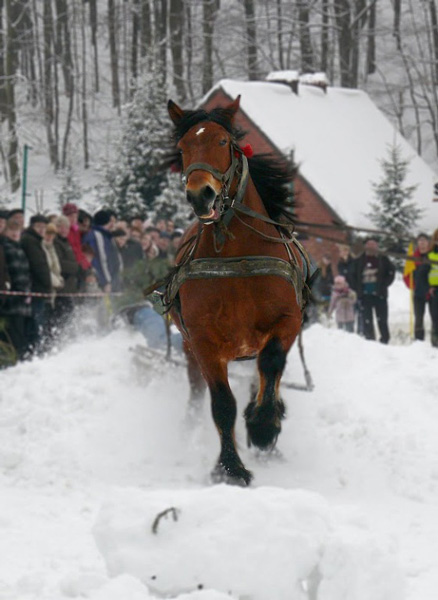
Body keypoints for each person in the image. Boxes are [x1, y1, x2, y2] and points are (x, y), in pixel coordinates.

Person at [350, 237, 395, 344]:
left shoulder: (383, 259)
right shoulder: (359, 260)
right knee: (367, 320)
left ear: (377, 246)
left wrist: (384, 285)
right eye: (369, 244)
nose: (371, 247)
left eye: (373, 244)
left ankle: (385, 340)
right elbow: (351, 276)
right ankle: (369, 340)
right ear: (365, 246)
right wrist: (357, 288)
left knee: (382, 319)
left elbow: (391, 272)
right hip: (365, 295)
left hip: (380, 294)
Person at [0, 221, 32, 359]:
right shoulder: (7, 248)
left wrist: (27, 290)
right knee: (14, 331)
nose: (14, 233)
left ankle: (20, 357)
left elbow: (25, 272)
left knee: (22, 330)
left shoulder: (19, 248)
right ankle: (15, 358)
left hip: (23, 295)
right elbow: (12, 272)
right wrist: (18, 291)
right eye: (11, 230)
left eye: (17, 230)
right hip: (13, 297)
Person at [21, 214, 52, 351]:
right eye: (39, 226)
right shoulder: (30, 240)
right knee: (34, 323)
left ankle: (36, 349)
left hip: (39, 289)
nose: (42, 230)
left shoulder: (36, 240)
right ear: (32, 226)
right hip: (35, 288)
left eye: (44, 227)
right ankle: (33, 351)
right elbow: (37, 265)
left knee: (38, 322)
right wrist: (47, 284)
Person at [82, 209, 122, 293]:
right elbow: (101, 259)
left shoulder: (106, 236)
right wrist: (106, 281)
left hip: (110, 279)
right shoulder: (97, 236)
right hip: (101, 281)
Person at [53, 215, 81, 329]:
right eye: (61, 227)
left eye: (66, 227)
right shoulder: (56, 242)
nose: (64, 230)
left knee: (69, 316)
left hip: (70, 286)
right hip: (62, 285)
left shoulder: (66, 242)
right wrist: (76, 267)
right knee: (60, 317)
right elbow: (59, 263)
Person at [403, 233, 432, 341]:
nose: (422, 243)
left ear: (428, 243)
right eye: (420, 241)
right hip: (419, 293)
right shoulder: (413, 257)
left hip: (433, 292)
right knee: (418, 318)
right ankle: (419, 341)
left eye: (424, 240)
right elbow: (407, 275)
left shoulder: (433, 255)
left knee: (435, 318)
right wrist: (413, 286)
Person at [62, 203, 92, 271]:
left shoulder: (76, 231)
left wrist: (87, 266)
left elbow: (79, 250)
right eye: (70, 216)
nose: (73, 219)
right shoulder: (64, 232)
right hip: (74, 268)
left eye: (75, 217)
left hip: (82, 265)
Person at [428, 229, 438, 347]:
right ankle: (435, 341)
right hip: (435, 288)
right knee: (435, 316)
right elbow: (426, 272)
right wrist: (429, 286)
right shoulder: (430, 254)